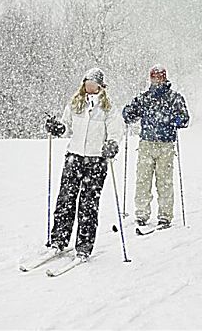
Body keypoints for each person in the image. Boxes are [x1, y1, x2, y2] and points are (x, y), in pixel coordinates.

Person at [44, 68, 122, 262]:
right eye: (87, 83)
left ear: (100, 86)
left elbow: (115, 132)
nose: (89, 87)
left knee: (88, 204)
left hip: (96, 160)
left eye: (93, 84)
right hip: (74, 157)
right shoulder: (75, 103)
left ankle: (84, 246)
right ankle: (58, 240)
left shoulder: (108, 108)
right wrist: (57, 127)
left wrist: (112, 144)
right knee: (65, 200)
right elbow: (65, 126)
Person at [122, 65, 189, 228]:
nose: (157, 80)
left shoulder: (174, 98)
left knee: (164, 181)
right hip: (146, 143)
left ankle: (165, 215)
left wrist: (177, 121)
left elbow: (185, 118)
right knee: (143, 180)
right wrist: (128, 113)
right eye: (154, 77)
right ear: (150, 78)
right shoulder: (144, 98)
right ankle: (141, 213)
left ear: (165, 78)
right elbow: (130, 114)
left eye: (160, 77)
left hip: (166, 144)